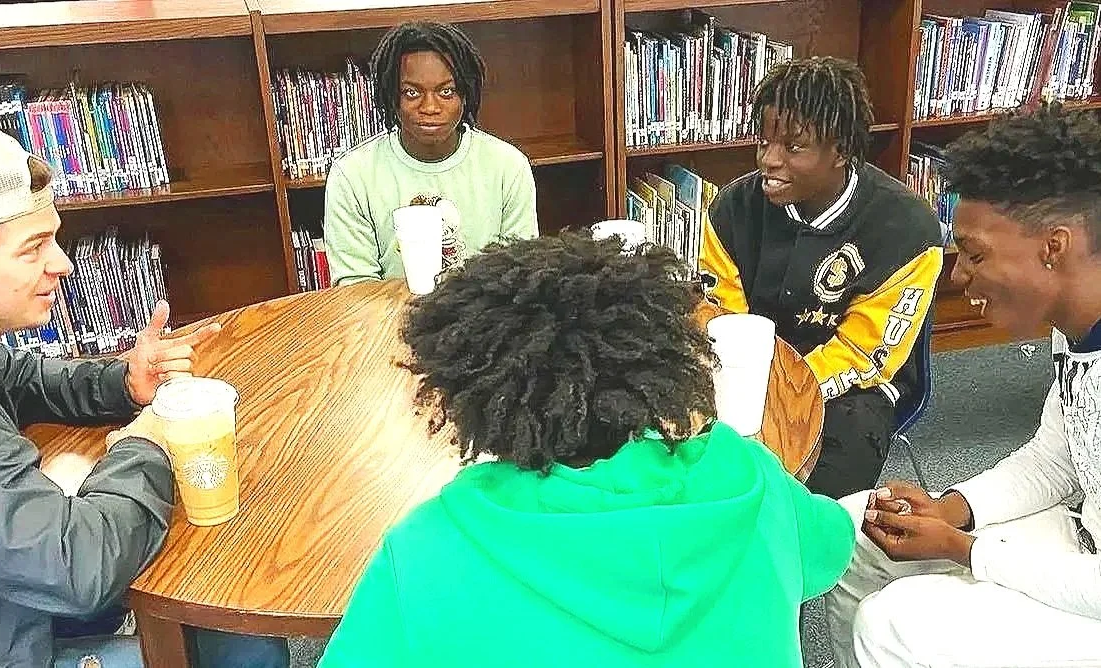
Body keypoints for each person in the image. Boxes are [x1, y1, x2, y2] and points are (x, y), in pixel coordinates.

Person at [317, 231, 855, 666]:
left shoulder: (426, 549)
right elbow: (829, 549)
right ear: (658, 363)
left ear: (477, 398)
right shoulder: (749, 477)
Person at [0, 122, 289, 668]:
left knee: (237, 624)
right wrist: (147, 446)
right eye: (33, 248)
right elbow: (77, 565)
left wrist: (123, 383)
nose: (62, 263)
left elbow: (20, 379)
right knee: (240, 644)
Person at [825, 103, 1101, 667]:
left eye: (975, 254)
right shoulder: (1076, 334)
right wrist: (955, 508)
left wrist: (968, 550)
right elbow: (1060, 460)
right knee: (858, 527)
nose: (958, 276)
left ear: (1054, 247)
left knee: (896, 624)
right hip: (1082, 537)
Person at [698, 56, 944, 498]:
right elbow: (721, 319)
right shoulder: (732, 209)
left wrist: (785, 401)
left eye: (793, 148)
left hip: (853, 386)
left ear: (842, 151)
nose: (768, 160)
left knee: (820, 488)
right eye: (764, 140)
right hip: (747, 367)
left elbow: (864, 352)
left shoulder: (907, 230)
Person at [324, 21, 539, 286]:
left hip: (483, 321)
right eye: (412, 92)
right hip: (386, 322)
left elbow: (519, 277)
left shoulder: (509, 167)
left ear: (465, 95)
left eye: (446, 92)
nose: (430, 107)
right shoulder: (351, 176)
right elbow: (355, 290)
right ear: (393, 97)